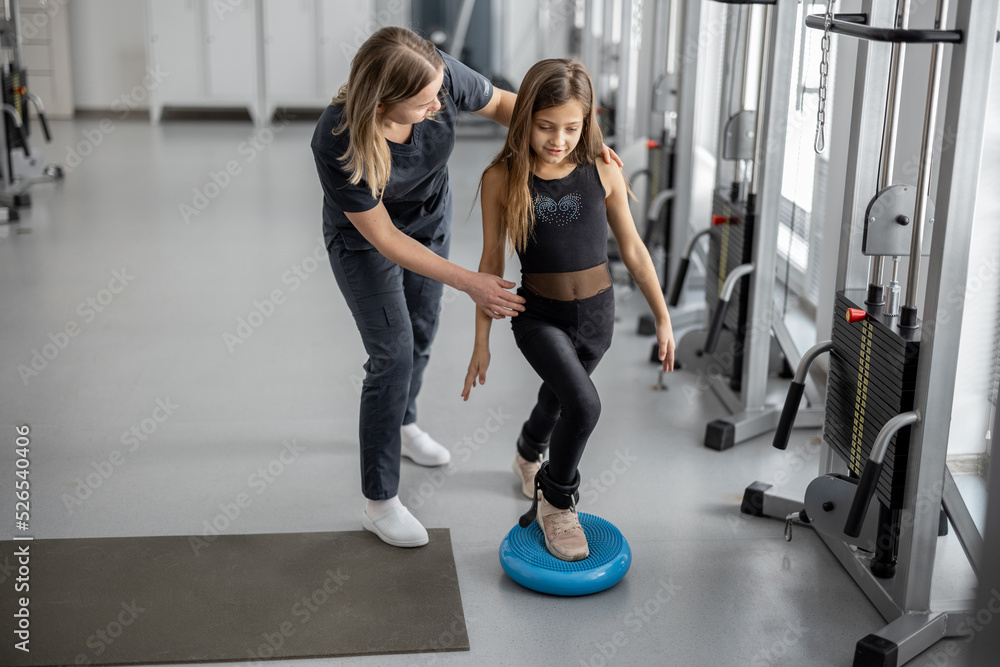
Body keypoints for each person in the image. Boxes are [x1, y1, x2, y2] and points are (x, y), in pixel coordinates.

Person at [311, 28, 621, 549]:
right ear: (385, 101)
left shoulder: (439, 75)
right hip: (367, 241)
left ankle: (403, 423)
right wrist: (471, 282)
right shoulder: (337, 140)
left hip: (430, 218)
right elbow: (384, 236)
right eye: (426, 100)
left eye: (440, 89)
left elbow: (505, 104)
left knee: (424, 331)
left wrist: (577, 140)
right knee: (393, 354)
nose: (440, 102)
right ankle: (380, 501)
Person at [461, 59, 675, 562]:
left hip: (598, 319)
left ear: (588, 122)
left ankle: (528, 449)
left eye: (571, 127)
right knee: (585, 404)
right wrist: (481, 341)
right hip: (538, 317)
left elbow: (635, 249)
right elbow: (490, 263)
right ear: (524, 118)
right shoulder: (502, 176)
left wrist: (663, 317)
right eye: (544, 127)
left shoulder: (602, 167)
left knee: (558, 400)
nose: (558, 139)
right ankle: (557, 503)